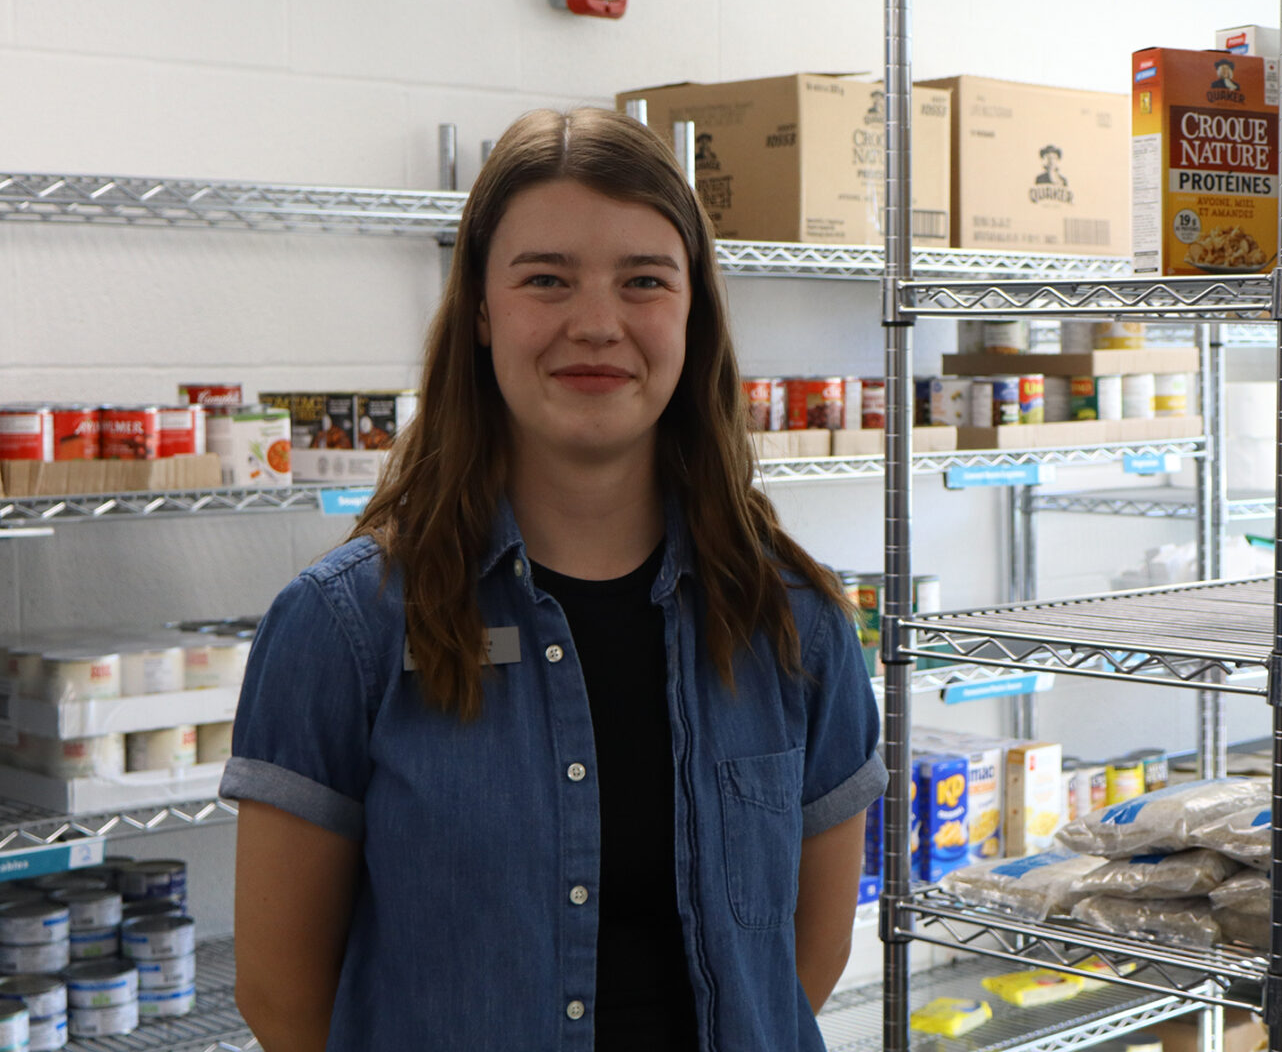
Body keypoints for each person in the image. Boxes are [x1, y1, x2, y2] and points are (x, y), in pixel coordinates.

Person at [224, 107, 885, 1051]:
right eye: (547, 280)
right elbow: (282, 999)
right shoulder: (346, 627)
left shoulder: (793, 620)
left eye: (644, 281)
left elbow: (798, 968)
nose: (597, 324)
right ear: (483, 312)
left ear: (692, 311)